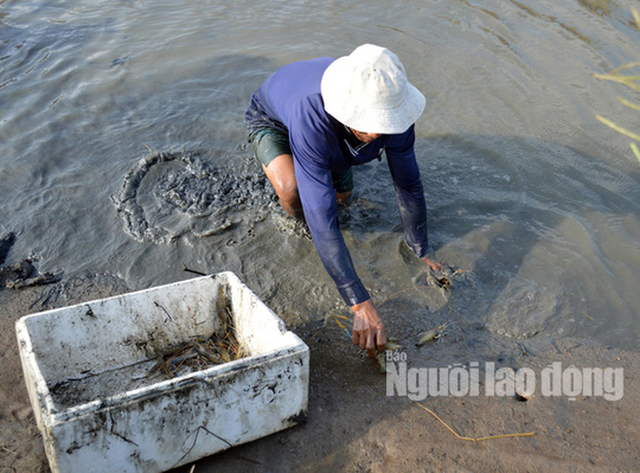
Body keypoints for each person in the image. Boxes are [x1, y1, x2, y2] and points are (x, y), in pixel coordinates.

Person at [245, 44, 442, 358]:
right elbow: (322, 216)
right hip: (275, 120)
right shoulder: (311, 113)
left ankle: (325, 174)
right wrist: (360, 302)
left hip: (333, 129)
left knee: (344, 200)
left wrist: (420, 248)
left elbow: (408, 184)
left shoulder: (393, 114)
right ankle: (297, 217)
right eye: (372, 122)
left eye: (385, 122)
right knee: (294, 192)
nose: (380, 132)